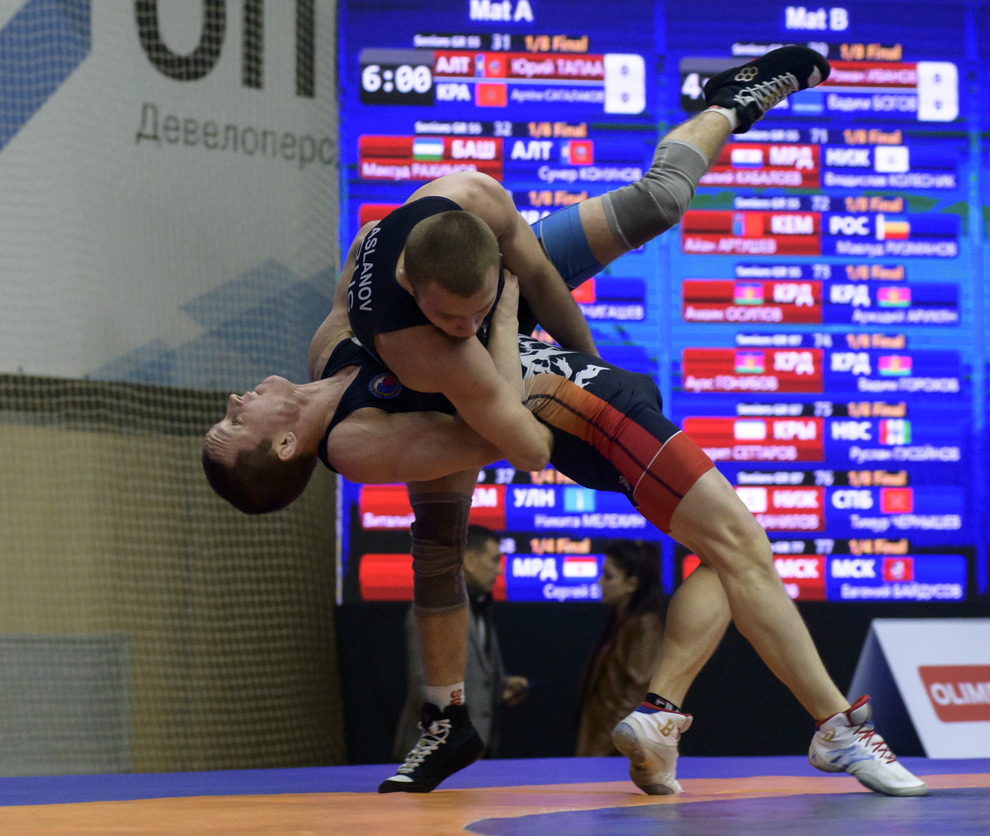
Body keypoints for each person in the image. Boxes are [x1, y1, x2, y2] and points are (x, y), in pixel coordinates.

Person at [204, 46, 926, 797]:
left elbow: (530, 272)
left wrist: (549, 335)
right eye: (233, 426)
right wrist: (520, 347)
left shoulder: (376, 299)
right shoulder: (376, 413)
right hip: (538, 389)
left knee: (657, 203)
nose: (232, 403)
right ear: (283, 444)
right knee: (457, 534)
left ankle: (730, 103)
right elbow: (519, 445)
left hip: (499, 323)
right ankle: (829, 724)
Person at [393, 525, 528, 762]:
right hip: (435, 758)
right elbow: (426, 688)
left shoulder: (479, 606)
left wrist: (500, 686)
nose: (499, 571)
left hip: (471, 756)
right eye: (494, 560)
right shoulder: (432, 610)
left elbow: (474, 676)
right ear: (470, 561)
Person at [576, 541, 665, 757]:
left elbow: (636, 697)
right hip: (609, 748)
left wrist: (600, 750)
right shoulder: (620, 622)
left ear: (632, 584)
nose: (599, 582)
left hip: (617, 755)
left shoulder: (644, 625)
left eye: (608, 576)